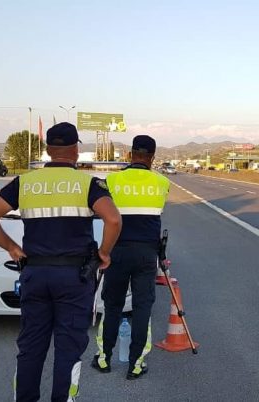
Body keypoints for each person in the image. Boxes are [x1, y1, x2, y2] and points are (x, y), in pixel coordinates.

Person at [0, 122, 122, 402]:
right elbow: (114, 219)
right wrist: (104, 253)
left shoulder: (25, 182)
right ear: (76, 150)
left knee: (31, 347)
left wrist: (11, 247)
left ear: (47, 150)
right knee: (68, 348)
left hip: (35, 273)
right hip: (74, 277)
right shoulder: (88, 184)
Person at [91, 134, 170, 380]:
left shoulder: (112, 181)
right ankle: (136, 364)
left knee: (112, 306)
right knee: (142, 307)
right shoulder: (162, 182)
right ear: (153, 157)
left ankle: (104, 359)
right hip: (147, 253)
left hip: (117, 252)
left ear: (130, 154)